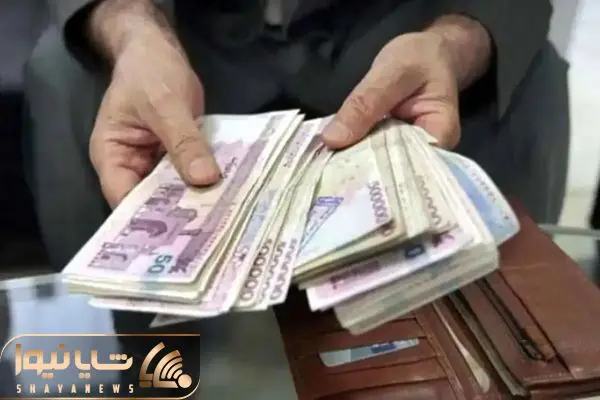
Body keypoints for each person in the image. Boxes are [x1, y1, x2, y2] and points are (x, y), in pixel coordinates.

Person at [24, 0, 569, 271]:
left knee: (526, 72)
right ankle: (143, 361)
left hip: (396, 27)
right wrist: (130, 27)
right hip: (194, 33)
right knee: (65, 72)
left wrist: (458, 41)